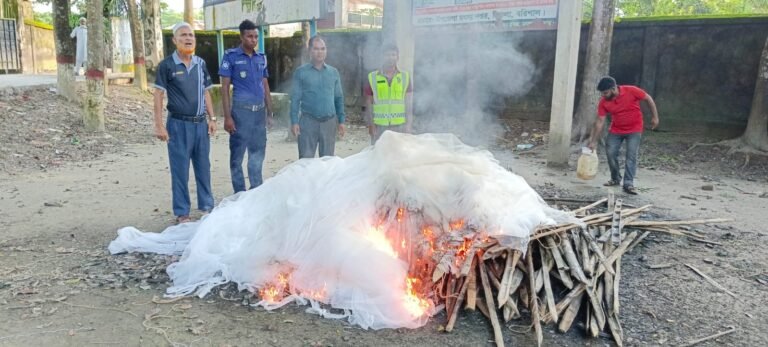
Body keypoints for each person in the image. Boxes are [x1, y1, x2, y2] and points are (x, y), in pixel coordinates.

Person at [152, 22, 217, 224]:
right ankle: (182, 213)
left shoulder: (200, 64)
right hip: (178, 125)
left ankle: (207, 207)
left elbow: (206, 91)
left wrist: (212, 118)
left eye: (191, 35)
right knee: (180, 170)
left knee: (203, 167)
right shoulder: (166, 66)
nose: (188, 38)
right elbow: (158, 94)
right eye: (183, 35)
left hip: (200, 125)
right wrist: (159, 125)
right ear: (174, 40)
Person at [219, 20, 273, 193]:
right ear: (241, 36)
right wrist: (227, 117)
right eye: (249, 36)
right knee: (237, 157)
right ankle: (240, 195)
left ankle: (256, 190)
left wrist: (270, 112)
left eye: (256, 36)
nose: (253, 40)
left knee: (257, 154)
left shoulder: (261, 58)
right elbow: (225, 88)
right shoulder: (231, 56)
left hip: (259, 114)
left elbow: (265, 86)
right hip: (241, 114)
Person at [588, 76, 659, 195]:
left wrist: (655, 117)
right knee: (610, 153)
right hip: (616, 130)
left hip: (634, 129)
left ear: (613, 88)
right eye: (602, 93)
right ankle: (615, 178)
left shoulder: (631, 90)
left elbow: (648, 99)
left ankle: (628, 183)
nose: (603, 95)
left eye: (605, 92)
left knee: (631, 155)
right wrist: (594, 140)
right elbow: (600, 121)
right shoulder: (604, 102)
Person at [290, 36, 346, 158]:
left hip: (329, 122)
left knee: (327, 163)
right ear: (309, 51)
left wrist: (341, 121)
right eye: (316, 49)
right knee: (305, 161)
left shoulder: (333, 72)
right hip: (308, 122)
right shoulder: (301, 72)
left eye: (323, 49)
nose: (319, 52)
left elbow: (338, 98)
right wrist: (294, 121)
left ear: (326, 51)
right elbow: (295, 99)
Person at [364, 43, 413, 144]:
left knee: (398, 156)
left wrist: (408, 125)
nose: (390, 58)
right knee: (379, 156)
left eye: (393, 55)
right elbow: (368, 103)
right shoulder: (372, 77)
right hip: (379, 127)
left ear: (398, 57)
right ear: (382, 57)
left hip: (399, 126)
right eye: (387, 55)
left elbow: (408, 103)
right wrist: (371, 125)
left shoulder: (405, 77)